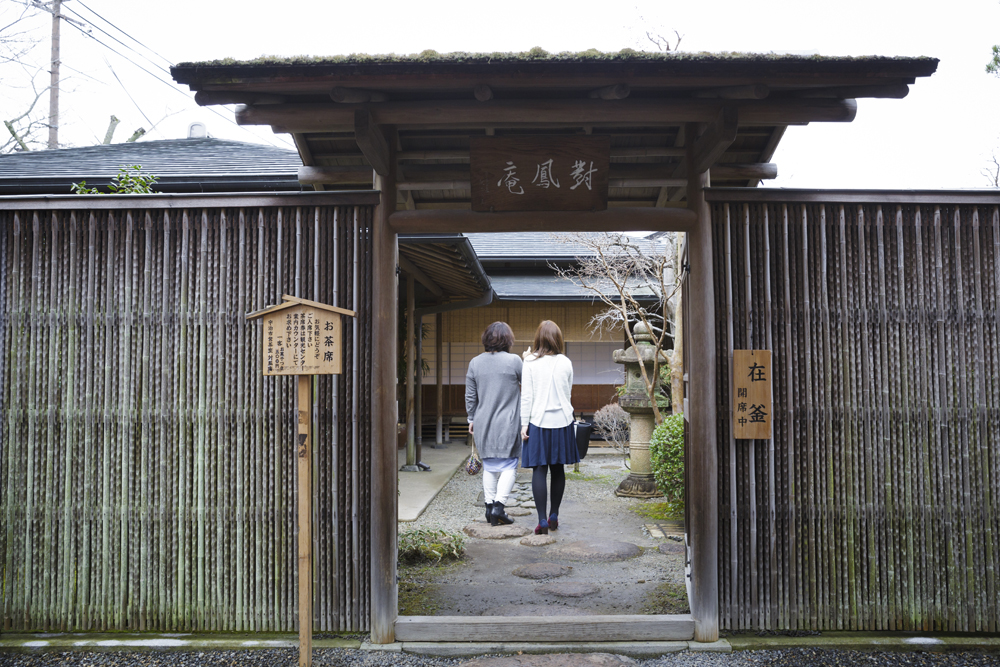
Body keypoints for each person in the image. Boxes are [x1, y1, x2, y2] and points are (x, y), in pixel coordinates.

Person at [520, 320, 578, 535]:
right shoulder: (566, 362)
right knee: (558, 468)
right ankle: (554, 514)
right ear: (558, 339)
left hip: (538, 422)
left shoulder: (530, 363)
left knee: (539, 469)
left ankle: (541, 520)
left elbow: (526, 397)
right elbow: (568, 392)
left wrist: (523, 424)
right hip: (563, 420)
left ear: (538, 339)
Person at [465, 321, 523, 526]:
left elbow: (470, 396)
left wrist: (471, 418)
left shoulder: (475, 363)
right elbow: (529, 388)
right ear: (508, 339)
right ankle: (499, 506)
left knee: (489, 465)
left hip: (483, 422)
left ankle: (489, 509)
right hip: (508, 422)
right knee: (509, 465)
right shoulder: (515, 361)